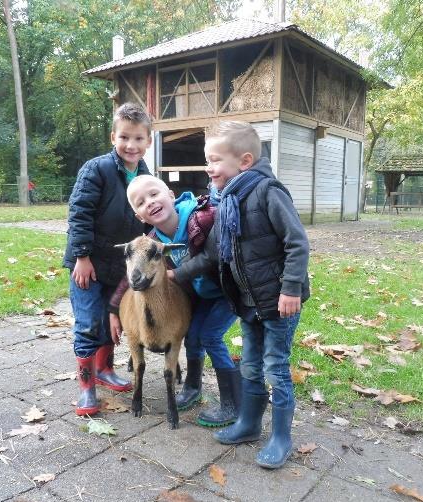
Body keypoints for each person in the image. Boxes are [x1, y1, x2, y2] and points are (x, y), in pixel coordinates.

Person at [171, 121, 310, 469]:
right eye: (208, 159)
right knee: (250, 364)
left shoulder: (268, 192)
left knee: (276, 367)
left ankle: (281, 437)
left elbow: (297, 242)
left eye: (215, 159)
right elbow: (212, 255)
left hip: (280, 302)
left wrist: (291, 288)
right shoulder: (227, 202)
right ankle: (249, 423)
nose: (208, 167)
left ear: (244, 161)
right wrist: (175, 274)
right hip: (249, 304)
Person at [108, 175, 240, 427]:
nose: (150, 202)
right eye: (141, 202)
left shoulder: (200, 218)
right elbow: (135, 275)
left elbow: (213, 256)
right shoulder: (153, 241)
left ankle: (231, 403)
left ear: (170, 194)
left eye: (154, 194)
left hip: (227, 291)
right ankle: (192, 388)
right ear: (139, 216)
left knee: (210, 337)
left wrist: (177, 274)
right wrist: (114, 308)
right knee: (192, 337)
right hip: (201, 294)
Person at [62, 102, 152, 416]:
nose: (131, 145)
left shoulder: (144, 174)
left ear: (148, 142)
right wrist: (81, 257)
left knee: (112, 322)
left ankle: (103, 369)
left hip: (120, 267)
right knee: (88, 324)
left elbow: (147, 219)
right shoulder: (96, 169)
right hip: (88, 266)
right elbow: (79, 214)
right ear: (113, 136)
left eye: (138, 138)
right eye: (125, 137)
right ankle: (87, 387)